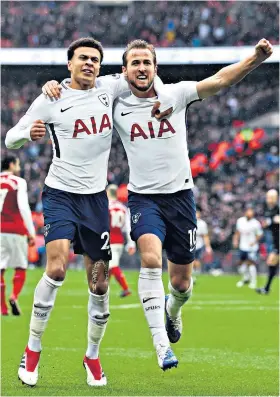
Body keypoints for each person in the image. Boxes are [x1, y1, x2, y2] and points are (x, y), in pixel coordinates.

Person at [42, 37, 273, 371]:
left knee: (181, 283)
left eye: (146, 62)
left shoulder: (175, 95)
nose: (141, 68)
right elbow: (80, 84)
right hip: (143, 197)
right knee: (150, 260)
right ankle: (162, 347)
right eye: (134, 63)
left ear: (155, 67)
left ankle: (172, 311)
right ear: (124, 70)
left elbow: (221, 80)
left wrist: (256, 58)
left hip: (180, 197)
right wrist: (57, 84)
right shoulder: (113, 100)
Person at [5, 37, 155, 388]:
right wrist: (29, 132)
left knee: (99, 283)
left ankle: (92, 355)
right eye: (83, 58)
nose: (89, 63)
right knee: (55, 268)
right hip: (60, 196)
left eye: (95, 59)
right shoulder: (51, 97)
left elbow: (142, 77)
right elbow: (11, 137)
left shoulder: (108, 88)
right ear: (69, 63)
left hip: (95, 202)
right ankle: (32, 350)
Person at [0, 155, 36, 316]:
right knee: (20, 267)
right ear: (12, 164)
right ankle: (14, 296)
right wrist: (31, 232)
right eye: (18, 164)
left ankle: (3, 308)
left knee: (0, 269)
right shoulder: (18, 182)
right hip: (16, 229)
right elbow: (23, 207)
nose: (19, 168)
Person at [107, 184, 136, 297]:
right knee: (109, 265)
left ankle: (126, 288)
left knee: (112, 265)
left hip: (108, 239)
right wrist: (131, 243)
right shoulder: (123, 208)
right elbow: (128, 227)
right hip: (119, 239)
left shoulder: (106, 206)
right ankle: (104, 287)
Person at [233, 207, 263, 289]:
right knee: (241, 264)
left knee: (251, 264)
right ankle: (245, 278)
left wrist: (254, 241)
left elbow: (260, 234)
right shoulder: (240, 221)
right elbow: (237, 232)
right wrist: (235, 240)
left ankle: (253, 281)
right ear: (245, 212)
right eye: (248, 212)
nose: (249, 214)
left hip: (252, 247)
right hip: (243, 246)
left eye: (251, 213)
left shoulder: (256, 223)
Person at [256, 189, 279, 295]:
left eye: (270, 197)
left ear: (276, 198)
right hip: (276, 240)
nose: (268, 199)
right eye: (267, 197)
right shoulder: (268, 209)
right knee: (272, 263)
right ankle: (266, 288)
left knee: (272, 262)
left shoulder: (278, 209)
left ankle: (266, 288)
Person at [193, 207, 212, 276]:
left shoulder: (202, 224)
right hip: (189, 244)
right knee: (191, 260)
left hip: (199, 244)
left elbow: (205, 236)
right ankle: (192, 274)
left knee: (197, 260)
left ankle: (196, 273)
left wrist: (208, 246)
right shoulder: (189, 221)